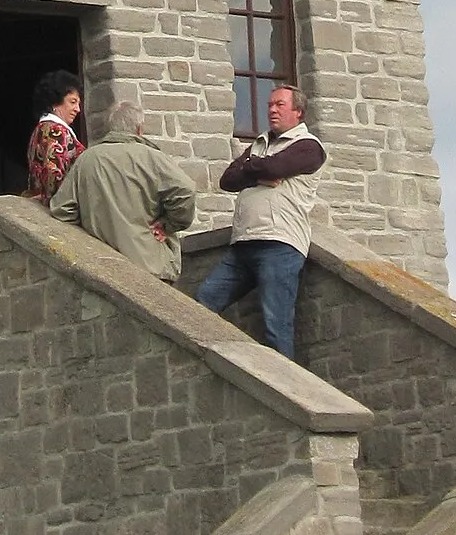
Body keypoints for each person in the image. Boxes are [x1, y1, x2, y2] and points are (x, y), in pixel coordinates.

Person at [196, 83, 325, 361]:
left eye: (280, 105)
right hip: (243, 244)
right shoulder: (260, 143)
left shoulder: (308, 147)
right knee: (202, 303)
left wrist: (252, 167)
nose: (272, 110)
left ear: (298, 112)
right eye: (270, 105)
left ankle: (290, 394)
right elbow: (228, 180)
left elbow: (274, 168)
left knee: (276, 325)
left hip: (279, 244)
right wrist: (258, 171)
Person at [49, 101, 197, 279]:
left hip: (102, 267)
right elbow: (186, 190)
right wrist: (167, 225)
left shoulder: (86, 159)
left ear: (110, 128)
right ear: (139, 129)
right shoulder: (153, 158)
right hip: (149, 265)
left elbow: (62, 210)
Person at [24, 70, 85, 204]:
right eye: (73, 102)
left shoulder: (43, 129)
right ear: (55, 102)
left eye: (78, 103)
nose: (77, 109)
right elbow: (54, 178)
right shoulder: (55, 131)